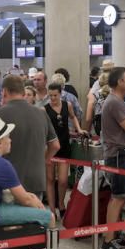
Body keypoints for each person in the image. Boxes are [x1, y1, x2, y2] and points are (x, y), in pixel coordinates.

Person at [0, 75, 59, 202]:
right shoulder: (41, 113)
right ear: (23, 92)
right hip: (36, 180)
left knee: (12, 220)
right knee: (33, 218)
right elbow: (55, 145)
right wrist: (43, 160)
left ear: (4, 91)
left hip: (8, 182)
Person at [99, 67, 125, 249]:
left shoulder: (116, 101)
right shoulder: (115, 102)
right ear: (120, 82)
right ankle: (108, 241)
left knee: (120, 196)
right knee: (118, 197)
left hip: (119, 153)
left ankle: (112, 234)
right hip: (118, 154)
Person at [44, 81, 85, 215]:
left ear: (60, 94)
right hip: (50, 147)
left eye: (55, 95)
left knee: (63, 180)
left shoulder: (68, 105)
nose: (53, 99)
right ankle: (51, 209)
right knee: (50, 179)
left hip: (64, 145)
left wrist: (78, 129)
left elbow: (73, 117)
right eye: (50, 96)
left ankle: (61, 204)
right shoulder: (44, 109)